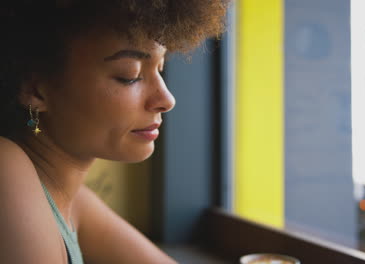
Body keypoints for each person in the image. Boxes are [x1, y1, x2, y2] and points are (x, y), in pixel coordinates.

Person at [0, 1, 228, 263]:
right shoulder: (6, 167)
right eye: (129, 75)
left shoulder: (74, 201)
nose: (166, 99)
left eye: (161, 68)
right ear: (35, 89)